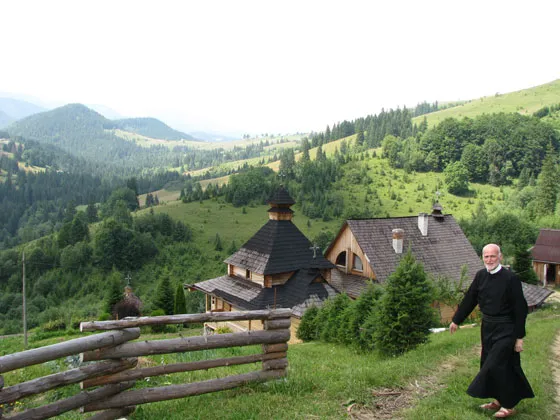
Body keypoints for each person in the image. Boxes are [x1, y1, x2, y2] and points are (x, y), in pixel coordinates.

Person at [449, 243, 534, 418]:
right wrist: (456, 320)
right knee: (489, 362)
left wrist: (519, 337)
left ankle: (509, 405)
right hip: (487, 327)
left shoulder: (510, 278)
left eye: (493, 256)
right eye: (486, 256)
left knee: (497, 364)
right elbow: (470, 299)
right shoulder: (481, 276)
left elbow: (520, 309)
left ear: (500, 257)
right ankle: (498, 400)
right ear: (482, 258)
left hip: (507, 328)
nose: (489, 260)